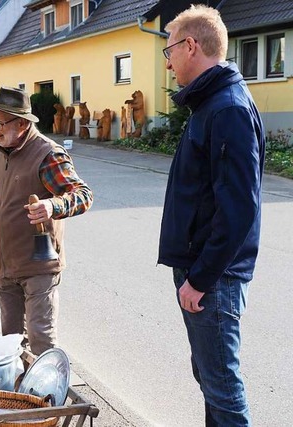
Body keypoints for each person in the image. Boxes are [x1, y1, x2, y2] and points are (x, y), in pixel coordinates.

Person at [158, 5, 265, 426]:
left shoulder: (227, 108)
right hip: (202, 272)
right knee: (210, 378)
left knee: (222, 388)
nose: (167, 63)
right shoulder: (212, 103)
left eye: (169, 51)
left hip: (212, 278)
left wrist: (199, 279)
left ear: (191, 46)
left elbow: (238, 210)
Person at [0, 87, 93, 355]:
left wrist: (52, 205)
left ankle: (48, 395)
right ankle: (20, 394)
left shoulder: (47, 154)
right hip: (5, 264)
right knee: (9, 341)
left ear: (21, 123)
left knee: (40, 338)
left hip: (40, 264)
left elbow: (83, 195)